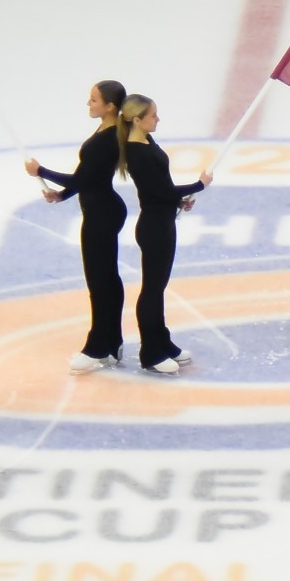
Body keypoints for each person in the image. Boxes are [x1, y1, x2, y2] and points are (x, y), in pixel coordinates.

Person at [25, 81, 130, 374]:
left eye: (94, 100)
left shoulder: (108, 137)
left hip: (102, 215)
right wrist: (62, 195)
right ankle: (112, 343)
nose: (88, 104)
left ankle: (97, 347)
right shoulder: (106, 130)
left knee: (100, 282)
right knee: (106, 279)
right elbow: (88, 176)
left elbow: (83, 179)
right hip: (102, 209)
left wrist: (40, 171)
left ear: (110, 106)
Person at [117, 95, 212, 377]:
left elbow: (162, 188)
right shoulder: (137, 152)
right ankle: (150, 352)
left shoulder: (147, 141)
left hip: (162, 221)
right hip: (154, 228)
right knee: (152, 290)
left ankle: (162, 341)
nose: (157, 119)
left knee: (157, 288)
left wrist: (178, 202)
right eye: (153, 115)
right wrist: (199, 185)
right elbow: (160, 191)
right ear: (137, 120)